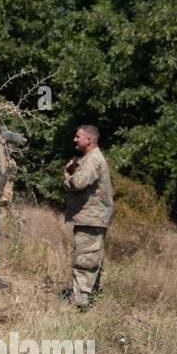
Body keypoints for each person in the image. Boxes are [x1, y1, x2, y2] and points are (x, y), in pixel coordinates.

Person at [63, 124, 114, 309]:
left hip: (90, 218)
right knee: (93, 257)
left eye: (78, 136)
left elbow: (80, 182)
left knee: (85, 258)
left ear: (89, 139)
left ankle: (81, 301)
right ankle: (92, 298)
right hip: (92, 217)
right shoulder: (91, 158)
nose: (74, 140)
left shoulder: (93, 159)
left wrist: (68, 176)